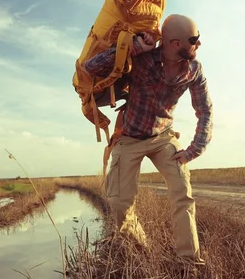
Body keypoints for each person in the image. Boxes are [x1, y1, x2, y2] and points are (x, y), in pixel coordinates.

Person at [84, 14, 213, 265]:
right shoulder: (141, 58)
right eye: (194, 40)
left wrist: (194, 150)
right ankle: (141, 253)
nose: (199, 45)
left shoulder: (195, 70)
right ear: (175, 43)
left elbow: (205, 111)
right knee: (120, 203)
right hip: (129, 138)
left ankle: (189, 260)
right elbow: (91, 68)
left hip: (163, 137)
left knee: (182, 192)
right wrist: (131, 47)